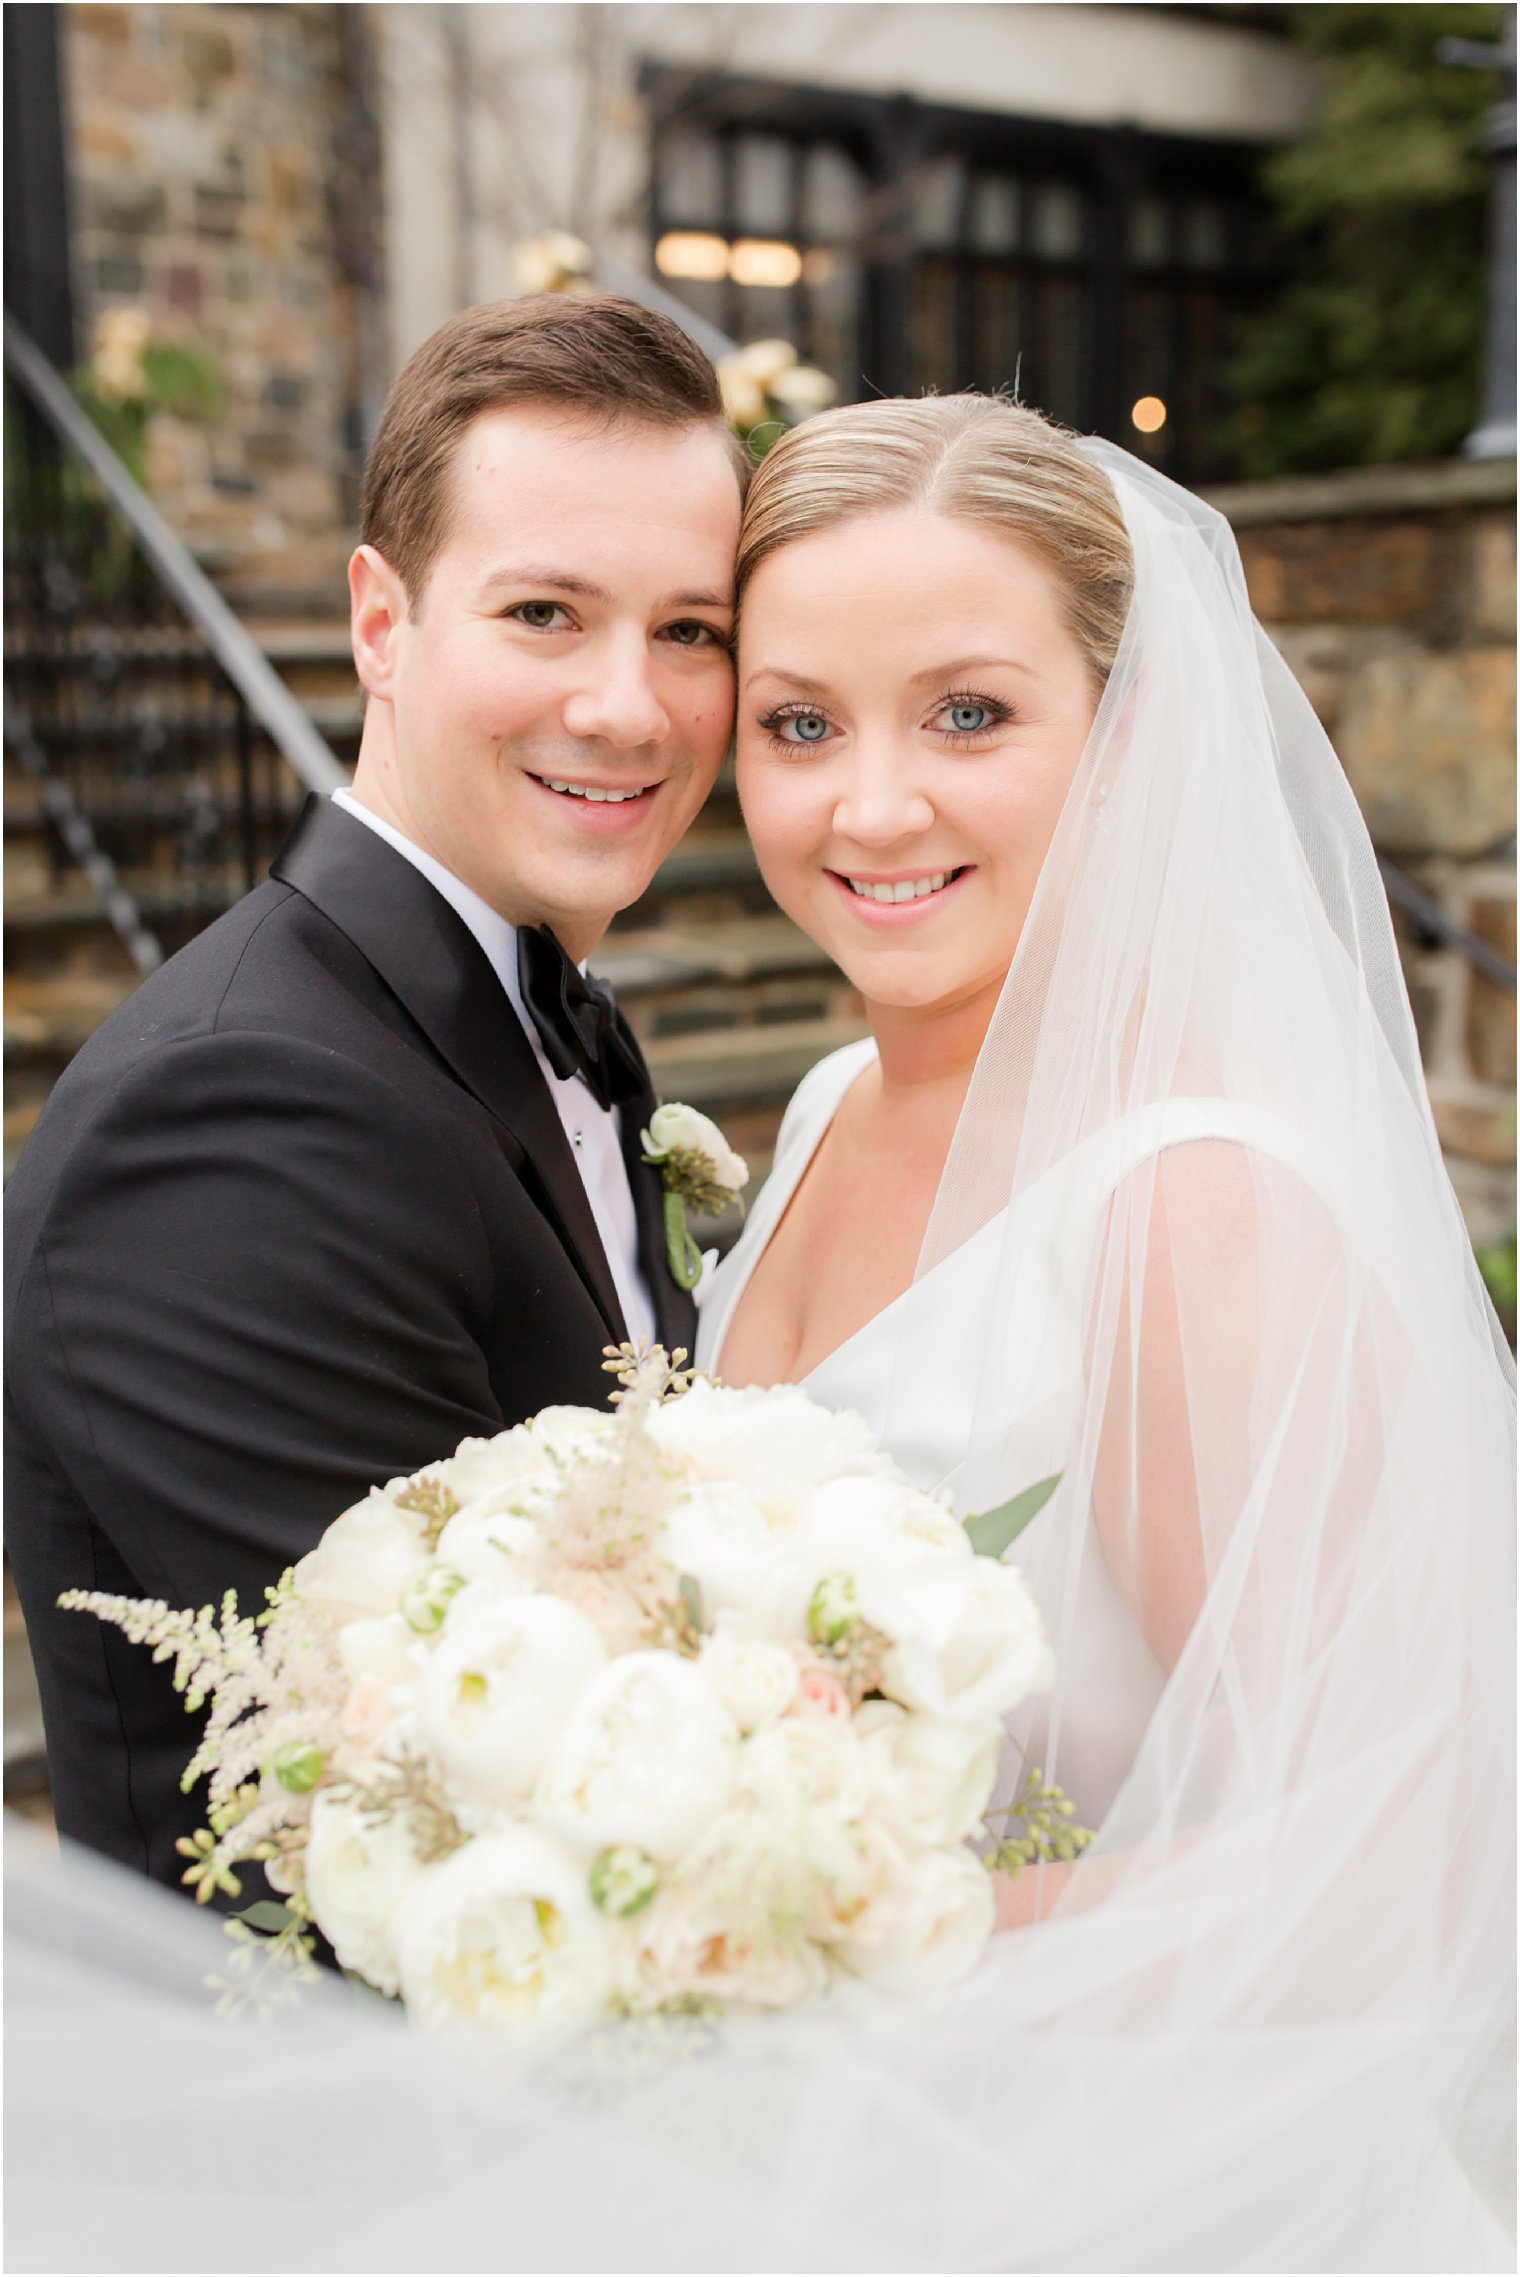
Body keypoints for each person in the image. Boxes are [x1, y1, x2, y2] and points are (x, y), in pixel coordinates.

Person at [5, 394, 1511, 2277]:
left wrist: (814, 1938)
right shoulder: (815, 1118)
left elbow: (1394, 1873)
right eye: (803, 724)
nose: (872, 806)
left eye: (970, 713)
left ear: (1123, 743)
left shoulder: (1194, 1209)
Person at [4, 294, 744, 1893]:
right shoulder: (234, 1120)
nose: (631, 704)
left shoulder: (506, 1015)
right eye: (545, 611)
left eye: (690, 628)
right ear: (381, 624)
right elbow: (455, 1795)